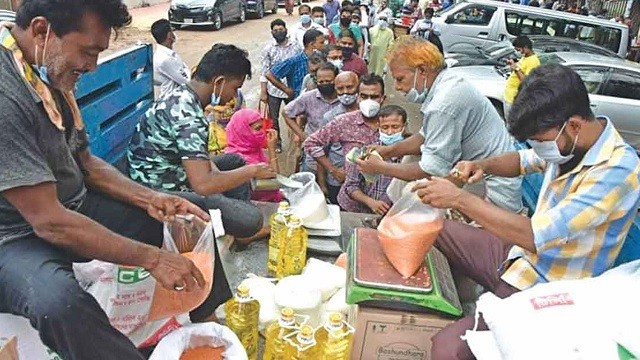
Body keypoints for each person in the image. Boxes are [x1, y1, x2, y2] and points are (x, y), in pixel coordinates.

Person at [0, 1, 224, 359]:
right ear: (42, 31)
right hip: (15, 235)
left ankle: (210, 330)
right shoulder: (7, 94)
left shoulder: (47, 70)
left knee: (186, 219)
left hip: (71, 207)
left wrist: (149, 198)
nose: (91, 66)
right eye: (88, 52)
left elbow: (85, 162)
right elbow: (50, 223)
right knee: (59, 303)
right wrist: (151, 259)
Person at [416, 63, 640, 360]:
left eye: (542, 141)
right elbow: (524, 161)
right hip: (516, 256)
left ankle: (477, 318)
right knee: (434, 227)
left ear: (574, 125)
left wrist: (459, 199)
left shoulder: (618, 171)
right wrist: (483, 165)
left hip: (547, 286)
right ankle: (464, 307)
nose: (540, 148)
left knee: (448, 349)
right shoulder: (567, 143)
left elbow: (537, 236)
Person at [128, 44, 276, 242]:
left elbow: (197, 156)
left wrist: (218, 173)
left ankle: (231, 216)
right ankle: (235, 223)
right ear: (219, 82)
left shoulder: (181, 95)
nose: (233, 96)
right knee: (251, 220)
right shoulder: (189, 116)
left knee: (234, 160)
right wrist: (252, 172)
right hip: (158, 188)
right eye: (235, 89)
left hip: (171, 169)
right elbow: (203, 185)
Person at [357, 37, 523, 213]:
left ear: (422, 70)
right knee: (410, 160)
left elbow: (431, 168)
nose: (397, 87)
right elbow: (424, 137)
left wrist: (380, 167)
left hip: (490, 184)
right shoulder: (445, 83)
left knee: (417, 195)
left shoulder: (444, 103)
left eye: (400, 79)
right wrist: (387, 151)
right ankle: (392, 214)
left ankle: (397, 223)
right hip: (471, 170)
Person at [305, 74, 387, 204]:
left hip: (384, 201)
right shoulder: (344, 122)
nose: (369, 101)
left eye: (374, 97)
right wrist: (333, 170)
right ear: (358, 97)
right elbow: (311, 143)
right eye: (364, 96)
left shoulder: (392, 124)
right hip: (350, 201)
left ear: (383, 98)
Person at [284, 62, 342, 192]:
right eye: (321, 81)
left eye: (328, 81)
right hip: (314, 153)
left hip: (338, 154)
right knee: (310, 188)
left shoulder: (344, 97)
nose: (324, 84)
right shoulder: (308, 97)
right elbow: (287, 113)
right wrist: (302, 135)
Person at [338, 105, 407, 214]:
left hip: (393, 214)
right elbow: (350, 186)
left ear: (404, 127)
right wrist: (370, 202)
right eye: (385, 127)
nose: (389, 132)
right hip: (359, 211)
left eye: (395, 127)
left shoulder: (409, 156)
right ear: (378, 127)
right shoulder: (365, 152)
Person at [315, 71, 361, 202]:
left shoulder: (368, 113)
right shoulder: (330, 117)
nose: (346, 92)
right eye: (340, 88)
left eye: (350, 87)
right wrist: (324, 183)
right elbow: (320, 151)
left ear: (358, 86)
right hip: (337, 180)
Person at [260, 18, 302, 152]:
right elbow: (264, 71)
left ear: (286, 30)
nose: (278, 32)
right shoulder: (268, 49)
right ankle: (277, 143)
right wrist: (263, 91)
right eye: (275, 30)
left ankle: (296, 139)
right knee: (273, 118)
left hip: (293, 89)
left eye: (281, 29)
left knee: (296, 115)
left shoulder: (295, 46)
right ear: (272, 32)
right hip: (274, 90)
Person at [225, 109, 283, 202]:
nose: (262, 132)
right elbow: (275, 182)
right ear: (243, 130)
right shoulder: (236, 159)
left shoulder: (255, 150)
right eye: (258, 129)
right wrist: (272, 150)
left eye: (262, 128)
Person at [266, 28, 325, 100]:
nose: (324, 45)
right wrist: (286, 90)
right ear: (312, 44)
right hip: (300, 102)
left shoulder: (323, 59)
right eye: (321, 43)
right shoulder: (294, 61)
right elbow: (270, 74)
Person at [503, 35, 541, 119]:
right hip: (509, 95)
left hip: (514, 98)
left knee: (511, 124)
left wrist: (516, 68)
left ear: (526, 47)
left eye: (519, 50)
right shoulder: (525, 57)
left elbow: (527, 81)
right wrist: (513, 65)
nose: (519, 52)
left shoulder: (533, 61)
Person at [151, 19, 190, 95]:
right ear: (169, 35)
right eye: (172, 31)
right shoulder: (165, 59)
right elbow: (186, 81)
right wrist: (187, 70)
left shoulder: (167, 54)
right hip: (172, 100)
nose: (174, 34)